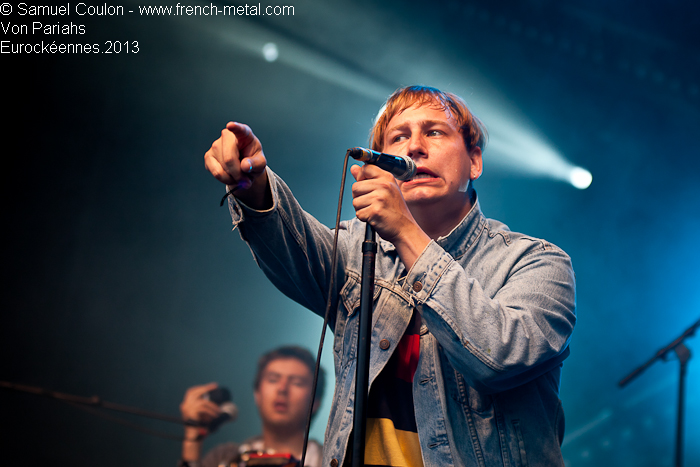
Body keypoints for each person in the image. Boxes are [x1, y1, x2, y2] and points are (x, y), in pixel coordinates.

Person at [204, 85, 576, 467]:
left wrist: (405, 230)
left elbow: (499, 358)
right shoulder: (355, 249)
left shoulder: (536, 262)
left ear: (475, 161)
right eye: (399, 137)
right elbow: (289, 242)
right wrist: (252, 181)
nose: (414, 147)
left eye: (434, 132)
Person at [179, 345, 325, 467]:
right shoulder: (224, 458)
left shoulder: (331, 459)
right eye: (273, 380)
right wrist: (192, 438)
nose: (282, 388)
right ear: (257, 394)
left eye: (297, 383)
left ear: (316, 402)